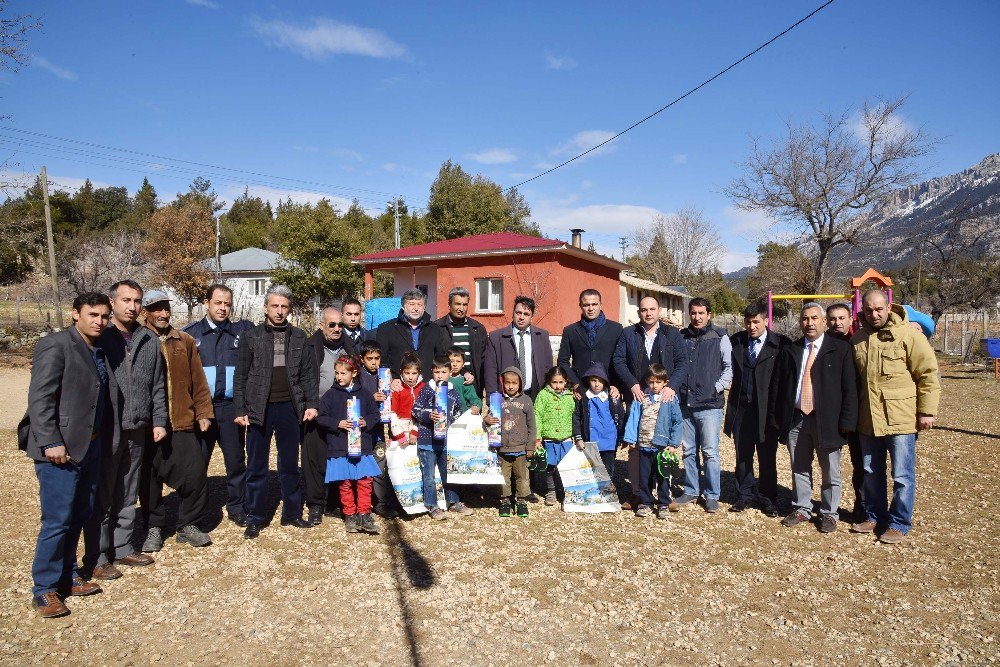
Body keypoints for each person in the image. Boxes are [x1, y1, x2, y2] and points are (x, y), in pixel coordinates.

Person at [19, 292, 115, 618]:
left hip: (89, 446)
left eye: (104, 316)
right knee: (57, 520)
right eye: (93, 314)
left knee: (79, 515)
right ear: (75, 314)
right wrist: (49, 442)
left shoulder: (96, 350)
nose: (99, 321)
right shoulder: (56, 345)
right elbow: (40, 398)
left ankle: (69, 575)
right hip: (59, 451)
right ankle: (44, 589)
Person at [83, 280, 166, 581]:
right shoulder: (100, 338)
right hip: (107, 428)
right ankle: (98, 555)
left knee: (128, 492)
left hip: (138, 427)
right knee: (103, 494)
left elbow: (157, 384)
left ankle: (122, 546)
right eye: (126, 300)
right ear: (112, 302)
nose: (132, 307)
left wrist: (159, 420)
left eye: (137, 301)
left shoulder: (147, 339)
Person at [850, 290, 940, 544]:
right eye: (869, 310)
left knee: (902, 475)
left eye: (879, 309)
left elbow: (928, 374)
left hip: (901, 418)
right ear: (863, 310)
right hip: (868, 420)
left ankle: (899, 522)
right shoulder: (858, 339)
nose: (874, 314)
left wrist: (927, 411)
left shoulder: (909, 335)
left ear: (888, 307)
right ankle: (874, 515)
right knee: (870, 471)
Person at [234, 284, 319, 539]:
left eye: (284, 306)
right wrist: (240, 408)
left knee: (289, 464)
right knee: (256, 465)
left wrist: (311, 404)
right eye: (275, 306)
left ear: (289, 309)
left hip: (290, 409)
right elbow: (241, 375)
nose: (279, 311)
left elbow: (307, 375)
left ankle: (292, 513)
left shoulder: (300, 337)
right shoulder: (252, 336)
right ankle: (256, 516)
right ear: (266, 307)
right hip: (259, 408)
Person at [769, 303, 858, 533]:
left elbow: (850, 388)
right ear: (800, 322)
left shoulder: (840, 349)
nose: (810, 323)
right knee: (799, 466)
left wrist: (848, 422)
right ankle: (802, 508)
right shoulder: (791, 350)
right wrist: (777, 416)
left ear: (823, 321)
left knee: (830, 470)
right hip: (796, 419)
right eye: (805, 318)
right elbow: (778, 387)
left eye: (815, 318)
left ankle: (829, 513)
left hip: (827, 421)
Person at [139, 291, 214, 552]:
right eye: (156, 309)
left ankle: (188, 524)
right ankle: (154, 527)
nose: (162, 314)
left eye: (165, 309)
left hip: (182, 420)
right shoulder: (136, 341)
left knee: (195, 475)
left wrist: (204, 412)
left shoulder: (184, 341)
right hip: (147, 424)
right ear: (145, 312)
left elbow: (198, 380)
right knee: (149, 479)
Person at [184, 284, 254, 527]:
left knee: (235, 461)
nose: (223, 308)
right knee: (197, 464)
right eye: (218, 303)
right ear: (207, 303)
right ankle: (194, 514)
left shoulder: (241, 333)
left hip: (231, 408)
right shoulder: (191, 336)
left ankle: (237, 507)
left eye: (227, 304)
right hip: (202, 410)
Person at [612, 295, 689, 509]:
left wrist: (671, 386)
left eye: (652, 309)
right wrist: (632, 384)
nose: (648, 313)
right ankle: (639, 492)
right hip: (639, 398)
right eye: (644, 309)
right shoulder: (628, 334)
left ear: (659, 311)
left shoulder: (672, 334)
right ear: (639, 312)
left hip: (665, 398)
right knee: (637, 447)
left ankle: (665, 495)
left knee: (664, 448)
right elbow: (618, 360)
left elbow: (683, 362)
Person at [723, 302, 789, 516]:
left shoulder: (780, 344)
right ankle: (744, 495)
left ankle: (767, 498)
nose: (751, 326)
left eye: (756, 322)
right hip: (741, 408)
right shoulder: (737, 342)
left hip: (767, 410)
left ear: (766, 321)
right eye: (748, 322)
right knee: (743, 455)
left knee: (767, 456)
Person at [675, 297, 732, 513]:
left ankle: (711, 494)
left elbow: (728, 367)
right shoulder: (682, 337)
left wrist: (716, 387)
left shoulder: (720, 337)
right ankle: (691, 490)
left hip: (710, 405)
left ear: (709, 314)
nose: (697, 317)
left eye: (701, 313)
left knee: (710, 452)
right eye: (693, 313)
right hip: (686, 404)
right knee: (689, 450)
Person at [316, 354, 382, 535]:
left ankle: (364, 513)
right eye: (337, 373)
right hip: (339, 446)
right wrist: (337, 423)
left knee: (364, 480)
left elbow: (375, 414)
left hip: (363, 446)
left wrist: (365, 421)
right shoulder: (330, 395)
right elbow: (321, 417)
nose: (339, 377)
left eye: (343, 373)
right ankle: (350, 515)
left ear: (354, 373)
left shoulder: (364, 394)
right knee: (344, 482)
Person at [301, 306, 349, 525]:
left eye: (340, 324)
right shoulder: (310, 346)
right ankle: (315, 504)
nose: (337, 328)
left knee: (338, 458)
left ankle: (334, 502)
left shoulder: (349, 346)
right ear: (322, 326)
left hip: (342, 413)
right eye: (332, 324)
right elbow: (303, 378)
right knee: (315, 460)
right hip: (316, 411)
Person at [622, 364, 683, 518]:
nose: (654, 386)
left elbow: (677, 422)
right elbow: (634, 418)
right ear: (647, 382)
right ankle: (646, 503)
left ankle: (663, 503)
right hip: (643, 444)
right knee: (644, 476)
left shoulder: (669, 399)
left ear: (665, 383)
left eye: (658, 382)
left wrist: (673, 444)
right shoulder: (642, 397)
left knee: (662, 476)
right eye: (651, 382)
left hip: (661, 447)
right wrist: (631, 438)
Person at [411, 356, 466, 519]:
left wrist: (450, 422)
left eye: (444, 372)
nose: (440, 375)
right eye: (437, 372)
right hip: (427, 441)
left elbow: (458, 411)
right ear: (432, 372)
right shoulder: (427, 389)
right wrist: (429, 416)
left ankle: (453, 502)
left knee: (448, 473)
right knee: (428, 476)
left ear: (450, 372)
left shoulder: (453, 390)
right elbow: (415, 410)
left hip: (445, 441)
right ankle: (432, 505)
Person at [826, 302, 865, 522]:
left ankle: (863, 506)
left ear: (850, 320)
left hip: (859, 414)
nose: (837, 323)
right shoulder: (824, 344)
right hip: (832, 414)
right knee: (830, 464)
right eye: (832, 319)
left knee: (861, 464)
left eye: (841, 318)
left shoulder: (858, 342)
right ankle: (829, 505)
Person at [357, 340, 402, 518]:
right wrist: (371, 397)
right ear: (362, 360)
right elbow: (353, 400)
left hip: (379, 430)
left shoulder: (385, 375)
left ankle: (381, 502)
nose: (374, 362)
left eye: (377, 358)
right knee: (362, 465)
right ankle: (363, 503)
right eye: (370, 359)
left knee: (380, 464)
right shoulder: (358, 376)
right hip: (362, 430)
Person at [484, 366, 536, 518]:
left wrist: (530, 445)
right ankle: (505, 501)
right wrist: (486, 420)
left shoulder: (526, 401)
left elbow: (532, 425)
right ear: (502, 383)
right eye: (507, 383)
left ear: (520, 383)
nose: (511, 386)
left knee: (522, 476)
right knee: (503, 476)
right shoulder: (497, 399)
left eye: (514, 383)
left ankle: (521, 501)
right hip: (502, 448)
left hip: (520, 447)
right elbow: (488, 419)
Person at [483, 295, 553, 400]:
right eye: (518, 313)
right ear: (513, 313)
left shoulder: (542, 336)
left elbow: (548, 367)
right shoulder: (496, 338)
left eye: (526, 314)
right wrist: (493, 402)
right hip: (506, 398)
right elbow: (490, 373)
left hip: (536, 396)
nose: (521, 317)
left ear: (531, 316)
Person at [557, 289, 624, 397]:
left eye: (594, 304)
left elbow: (621, 360)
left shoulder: (616, 329)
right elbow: (562, 361)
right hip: (580, 390)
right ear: (580, 306)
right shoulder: (570, 330)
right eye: (586, 305)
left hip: (609, 389)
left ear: (601, 305)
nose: (590, 308)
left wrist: (617, 385)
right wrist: (575, 383)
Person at [572, 362, 626, 492]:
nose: (596, 384)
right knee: (591, 466)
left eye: (600, 381)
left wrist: (622, 436)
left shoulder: (612, 397)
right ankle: (594, 491)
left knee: (608, 466)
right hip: (590, 438)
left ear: (605, 382)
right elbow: (576, 417)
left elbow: (621, 415)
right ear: (588, 381)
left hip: (609, 438)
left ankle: (606, 490)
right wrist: (578, 437)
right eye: (593, 380)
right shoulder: (584, 397)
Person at [376, 289, 450, 383]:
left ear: (424, 307)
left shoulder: (435, 329)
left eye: (419, 304)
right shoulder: (386, 329)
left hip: (428, 385)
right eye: (411, 304)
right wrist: (390, 379)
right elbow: (382, 361)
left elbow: (440, 359)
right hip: (398, 386)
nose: (416, 308)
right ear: (403, 306)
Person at [533, 366, 575, 506]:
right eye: (554, 382)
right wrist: (537, 438)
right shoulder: (543, 395)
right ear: (549, 382)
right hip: (549, 438)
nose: (557, 386)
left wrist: (576, 435)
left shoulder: (571, 396)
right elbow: (537, 416)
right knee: (549, 467)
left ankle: (565, 492)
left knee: (565, 466)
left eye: (561, 382)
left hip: (566, 438)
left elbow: (575, 416)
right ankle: (550, 491)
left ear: (566, 381)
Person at [435, 287, 488, 394]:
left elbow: (484, 360)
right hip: (447, 385)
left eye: (464, 304)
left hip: (473, 385)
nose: (461, 308)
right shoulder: (437, 328)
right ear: (449, 304)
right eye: (457, 304)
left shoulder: (478, 329)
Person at [388, 352, 423, 447]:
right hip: (399, 434)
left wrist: (415, 431)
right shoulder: (397, 389)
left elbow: (424, 412)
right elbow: (392, 413)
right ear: (401, 372)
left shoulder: (424, 388)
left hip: (418, 434)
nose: (410, 377)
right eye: (407, 373)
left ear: (419, 373)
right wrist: (399, 436)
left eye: (414, 373)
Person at [447, 346, 482, 413]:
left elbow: (474, 398)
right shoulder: (442, 379)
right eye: (451, 361)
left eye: (458, 361)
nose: (455, 364)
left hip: (461, 418)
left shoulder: (465, 381)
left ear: (463, 364)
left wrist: (476, 406)